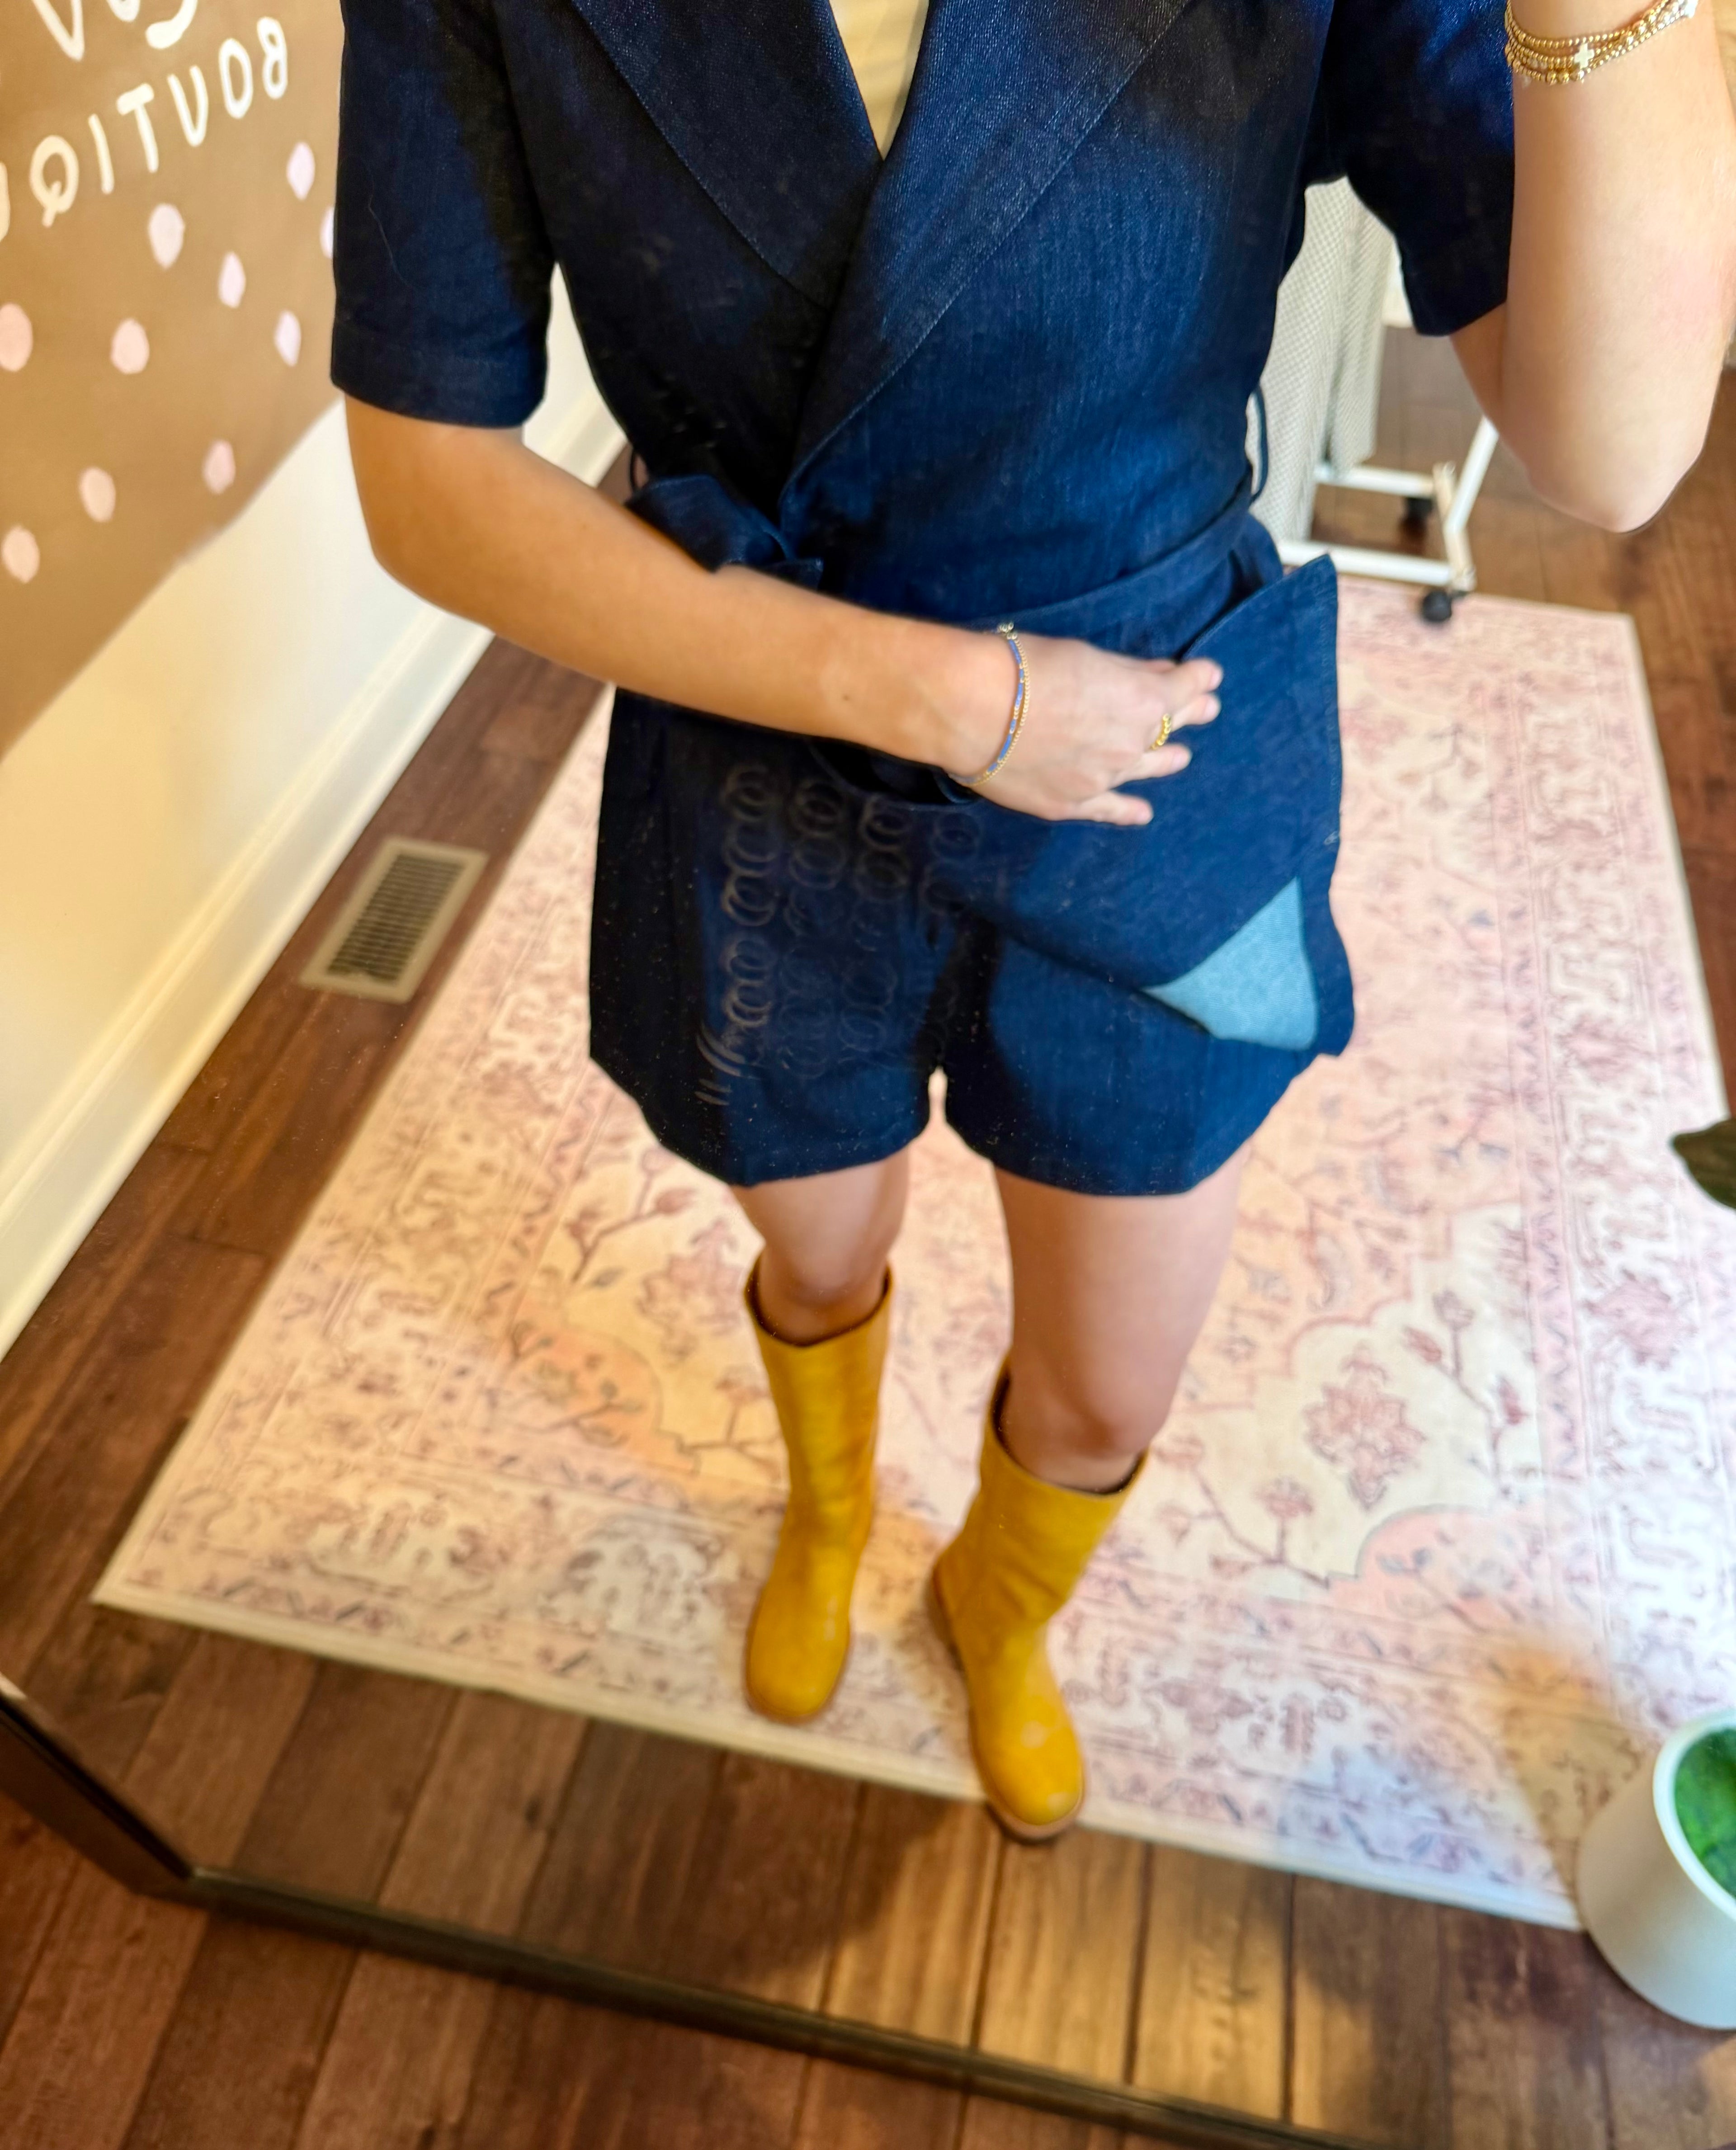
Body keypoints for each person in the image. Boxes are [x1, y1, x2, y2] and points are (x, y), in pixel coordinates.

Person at [331, 0, 1736, 1840]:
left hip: (1156, 749)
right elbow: (428, 474)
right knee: (819, 1255)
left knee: (1101, 1384)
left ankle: (1000, 1605)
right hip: (765, 714)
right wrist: (950, 702)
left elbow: (1614, 453)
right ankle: (827, 1507)